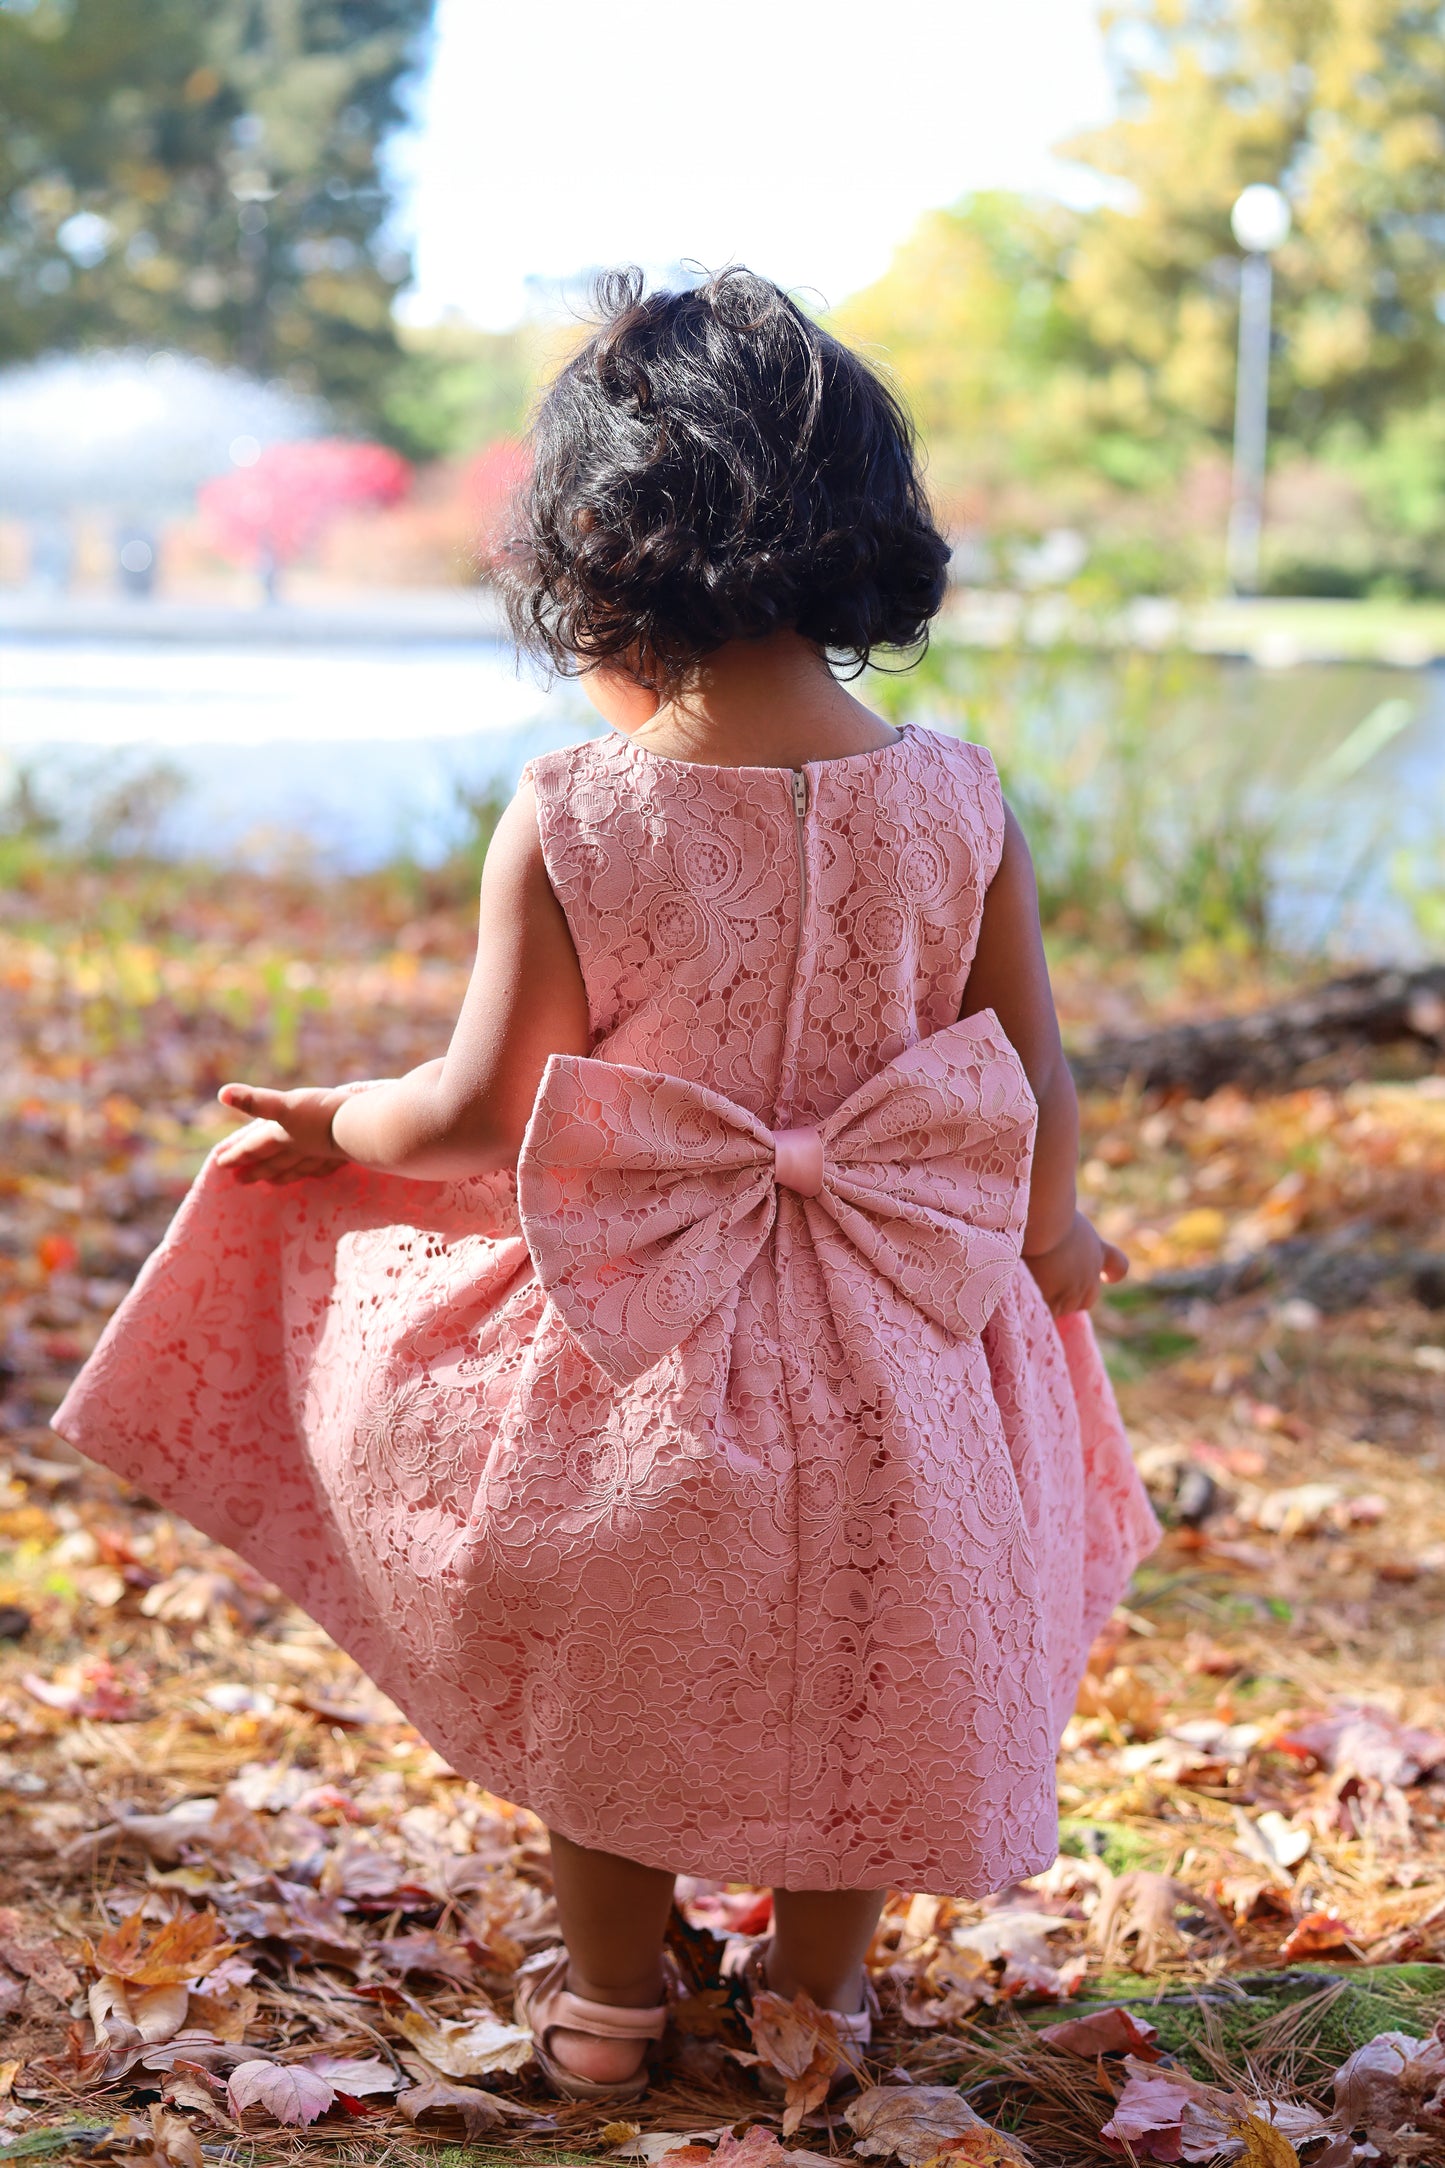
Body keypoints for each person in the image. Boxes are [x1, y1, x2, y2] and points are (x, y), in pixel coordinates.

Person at [55, 268, 1161, 2103]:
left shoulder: (578, 809)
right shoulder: (962, 800)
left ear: (600, 541)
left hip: (641, 1355)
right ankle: (822, 1997)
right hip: (903, 1349)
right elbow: (1030, 1073)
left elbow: (485, 1107)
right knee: (883, 1645)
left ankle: (611, 2006)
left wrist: (333, 1126)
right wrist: (1048, 1241)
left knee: (605, 1657)